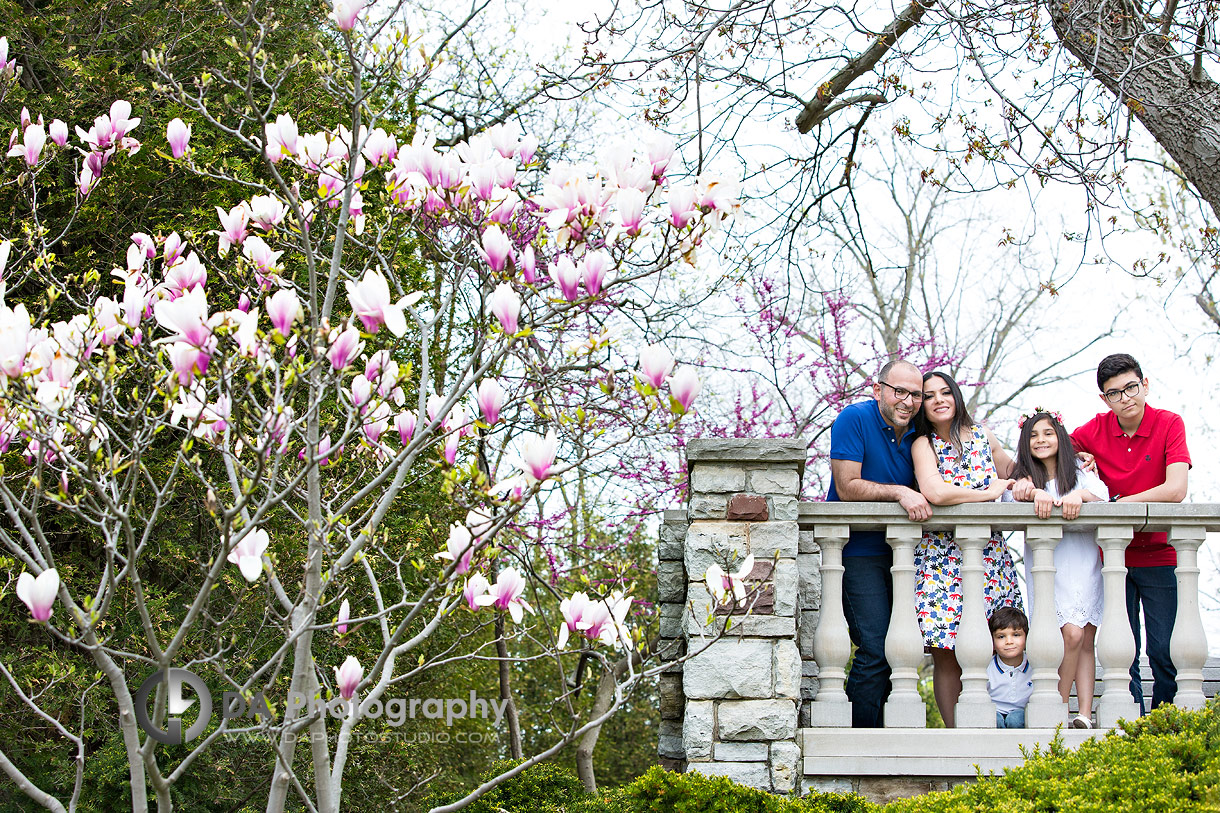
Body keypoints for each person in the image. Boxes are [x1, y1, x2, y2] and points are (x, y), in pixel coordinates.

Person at [1069, 353, 1190, 713]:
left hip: (1160, 554)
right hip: (1114, 557)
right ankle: (1133, 720)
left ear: (1145, 385)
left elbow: (1176, 488)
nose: (1125, 398)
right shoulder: (1096, 428)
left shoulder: (1169, 423)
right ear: (1104, 399)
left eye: (1131, 388)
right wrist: (1079, 459)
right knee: (1124, 647)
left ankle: (1166, 720)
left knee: (1165, 647)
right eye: (1114, 393)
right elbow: (1055, 446)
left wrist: (1120, 502)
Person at [910, 371, 1022, 727]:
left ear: (957, 397)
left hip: (989, 557)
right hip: (942, 560)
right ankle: (956, 730)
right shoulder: (922, 445)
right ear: (923, 406)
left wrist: (1071, 463)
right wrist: (987, 495)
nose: (939, 400)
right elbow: (936, 492)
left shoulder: (983, 436)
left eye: (946, 392)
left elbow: (1016, 471)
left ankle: (995, 720)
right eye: (929, 396)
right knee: (947, 652)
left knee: (996, 641)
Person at [827, 359, 932, 728]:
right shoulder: (854, 419)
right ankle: (858, 739)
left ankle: (893, 735)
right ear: (878, 391)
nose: (907, 401)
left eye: (915, 394)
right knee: (875, 648)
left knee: (903, 651)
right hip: (858, 553)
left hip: (908, 556)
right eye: (898, 391)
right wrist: (901, 492)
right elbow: (847, 486)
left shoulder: (922, 429)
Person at [1010, 408, 1108, 728]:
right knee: (1069, 635)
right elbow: (1007, 503)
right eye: (1034, 435)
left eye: (1048, 433)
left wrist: (1080, 495)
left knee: (1086, 639)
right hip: (1050, 567)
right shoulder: (1024, 479)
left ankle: (1083, 713)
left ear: (1060, 437)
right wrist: (1028, 493)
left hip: (1083, 561)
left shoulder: (1079, 470)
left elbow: (1103, 496)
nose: (1041, 440)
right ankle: (1058, 706)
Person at [988, 606, 1033, 729]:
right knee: (993, 719)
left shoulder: (1034, 666)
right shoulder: (987, 667)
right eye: (1001, 637)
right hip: (995, 711)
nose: (1009, 641)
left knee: (1015, 719)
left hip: (1022, 713)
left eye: (1016, 635)